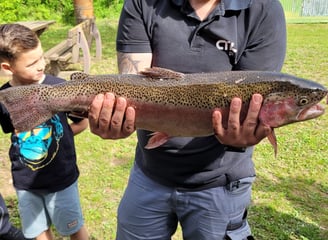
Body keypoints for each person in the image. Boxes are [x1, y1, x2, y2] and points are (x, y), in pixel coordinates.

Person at [88, 0, 286, 239]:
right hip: (149, 172)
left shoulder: (262, 9)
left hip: (221, 181)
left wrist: (243, 138)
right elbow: (132, 86)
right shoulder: (143, 2)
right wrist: (116, 116)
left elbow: (257, 91)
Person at [0, 24, 89, 240]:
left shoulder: (60, 87)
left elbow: (81, 122)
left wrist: (62, 136)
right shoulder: (4, 98)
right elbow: (14, 132)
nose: (41, 65)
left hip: (61, 178)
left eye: (41, 57)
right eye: (32, 63)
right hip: (25, 181)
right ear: (7, 67)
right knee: (38, 231)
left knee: (73, 227)